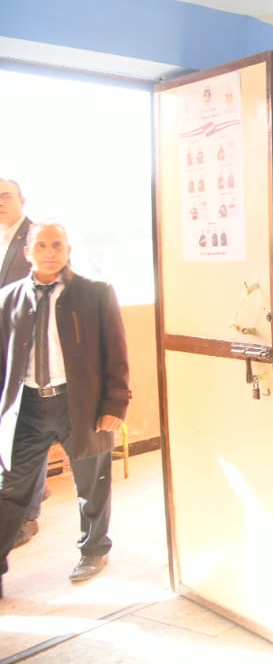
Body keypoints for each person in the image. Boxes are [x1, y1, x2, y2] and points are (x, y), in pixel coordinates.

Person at [0, 222, 131, 597]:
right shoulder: (7, 298)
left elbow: (116, 352)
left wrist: (115, 403)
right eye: (41, 245)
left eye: (57, 244)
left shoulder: (96, 293)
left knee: (92, 484)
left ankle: (93, 551)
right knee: (9, 489)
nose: (49, 252)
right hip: (26, 408)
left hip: (80, 404)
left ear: (68, 250)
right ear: (28, 252)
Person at [0, 179, 46, 548]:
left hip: (27, 351)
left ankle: (28, 515)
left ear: (22, 200)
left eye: (5, 195)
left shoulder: (35, 237)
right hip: (4, 348)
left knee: (29, 432)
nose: (0, 202)